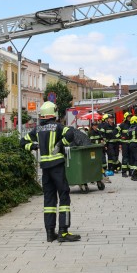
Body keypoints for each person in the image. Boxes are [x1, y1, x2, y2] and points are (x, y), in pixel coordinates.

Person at [20, 101, 84, 243]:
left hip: (45, 169)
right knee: (64, 196)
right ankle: (63, 232)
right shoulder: (58, 127)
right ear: (53, 113)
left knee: (49, 200)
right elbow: (71, 135)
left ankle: (50, 233)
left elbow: (22, 142)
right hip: (57, 168)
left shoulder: (37, 130)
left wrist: (35, 145)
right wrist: (60, 144)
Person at [117, 112, 132, 177]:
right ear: (126, 117)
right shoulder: (122, 125)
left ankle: (130, 172)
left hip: (131, 144)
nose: (129, 118)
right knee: (125, 158)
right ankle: (124, 172)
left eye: (130, 117)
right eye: (128, 117)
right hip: (125, 144)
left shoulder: (132, 124)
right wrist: (120, 137)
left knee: (131, 158)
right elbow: (115, 131)